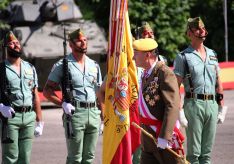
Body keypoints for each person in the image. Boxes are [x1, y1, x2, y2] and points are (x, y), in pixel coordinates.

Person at [43, 28, 102, 164]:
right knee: (75, 158)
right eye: (79, 41)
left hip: (93, 114)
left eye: (85, 40)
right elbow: (47, 90)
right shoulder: (62, 65)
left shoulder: (94, 65)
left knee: (89, 158)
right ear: (71, 45)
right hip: (75, 114)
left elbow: (99, 92)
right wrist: (62, 104)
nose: (83, 43)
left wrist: (103, 117)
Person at [173, 17, 224, 164]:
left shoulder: (213, 54)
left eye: (203, 28)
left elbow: (218, 82)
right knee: (194, 154)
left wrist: (220, 107)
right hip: (194, 104)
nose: (202, 31)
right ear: (189, 33)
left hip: (212, 104)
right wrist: (180, 111)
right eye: (197, 29)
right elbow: (175, 87)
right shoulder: (183, 57)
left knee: (206, 154)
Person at [133, 38, 184, 164]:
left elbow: (172, 106)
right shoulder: (145, 74)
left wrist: (165, 136)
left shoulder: (165, 73)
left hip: (161, 136)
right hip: (148, 137)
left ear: (147, 55)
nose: (133, 57)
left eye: (136, 53)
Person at [0, 31, 43, 164]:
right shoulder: (1, 68)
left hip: (29, 117)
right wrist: (1, 107)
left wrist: (40, 121)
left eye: (17, 43)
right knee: (10, 158)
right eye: (11, 43)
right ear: (5, 48)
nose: (15, 45)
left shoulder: (30, 67)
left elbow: (35, 95)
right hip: (10, 118)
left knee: (25, 158)